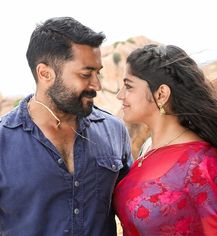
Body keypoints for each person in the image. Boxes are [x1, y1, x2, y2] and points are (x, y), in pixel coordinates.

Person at [0, 17, 133, 236]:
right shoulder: (3, 141)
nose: (97, 85)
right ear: (45, 74)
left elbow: (134, 209)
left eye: (97, 72)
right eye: (85, 74)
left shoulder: (114, 130)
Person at [113, 44, 217, 235]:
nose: (120, 95)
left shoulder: (201, 163)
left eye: (128, 86)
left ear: (161, 94)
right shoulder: (148, 149)